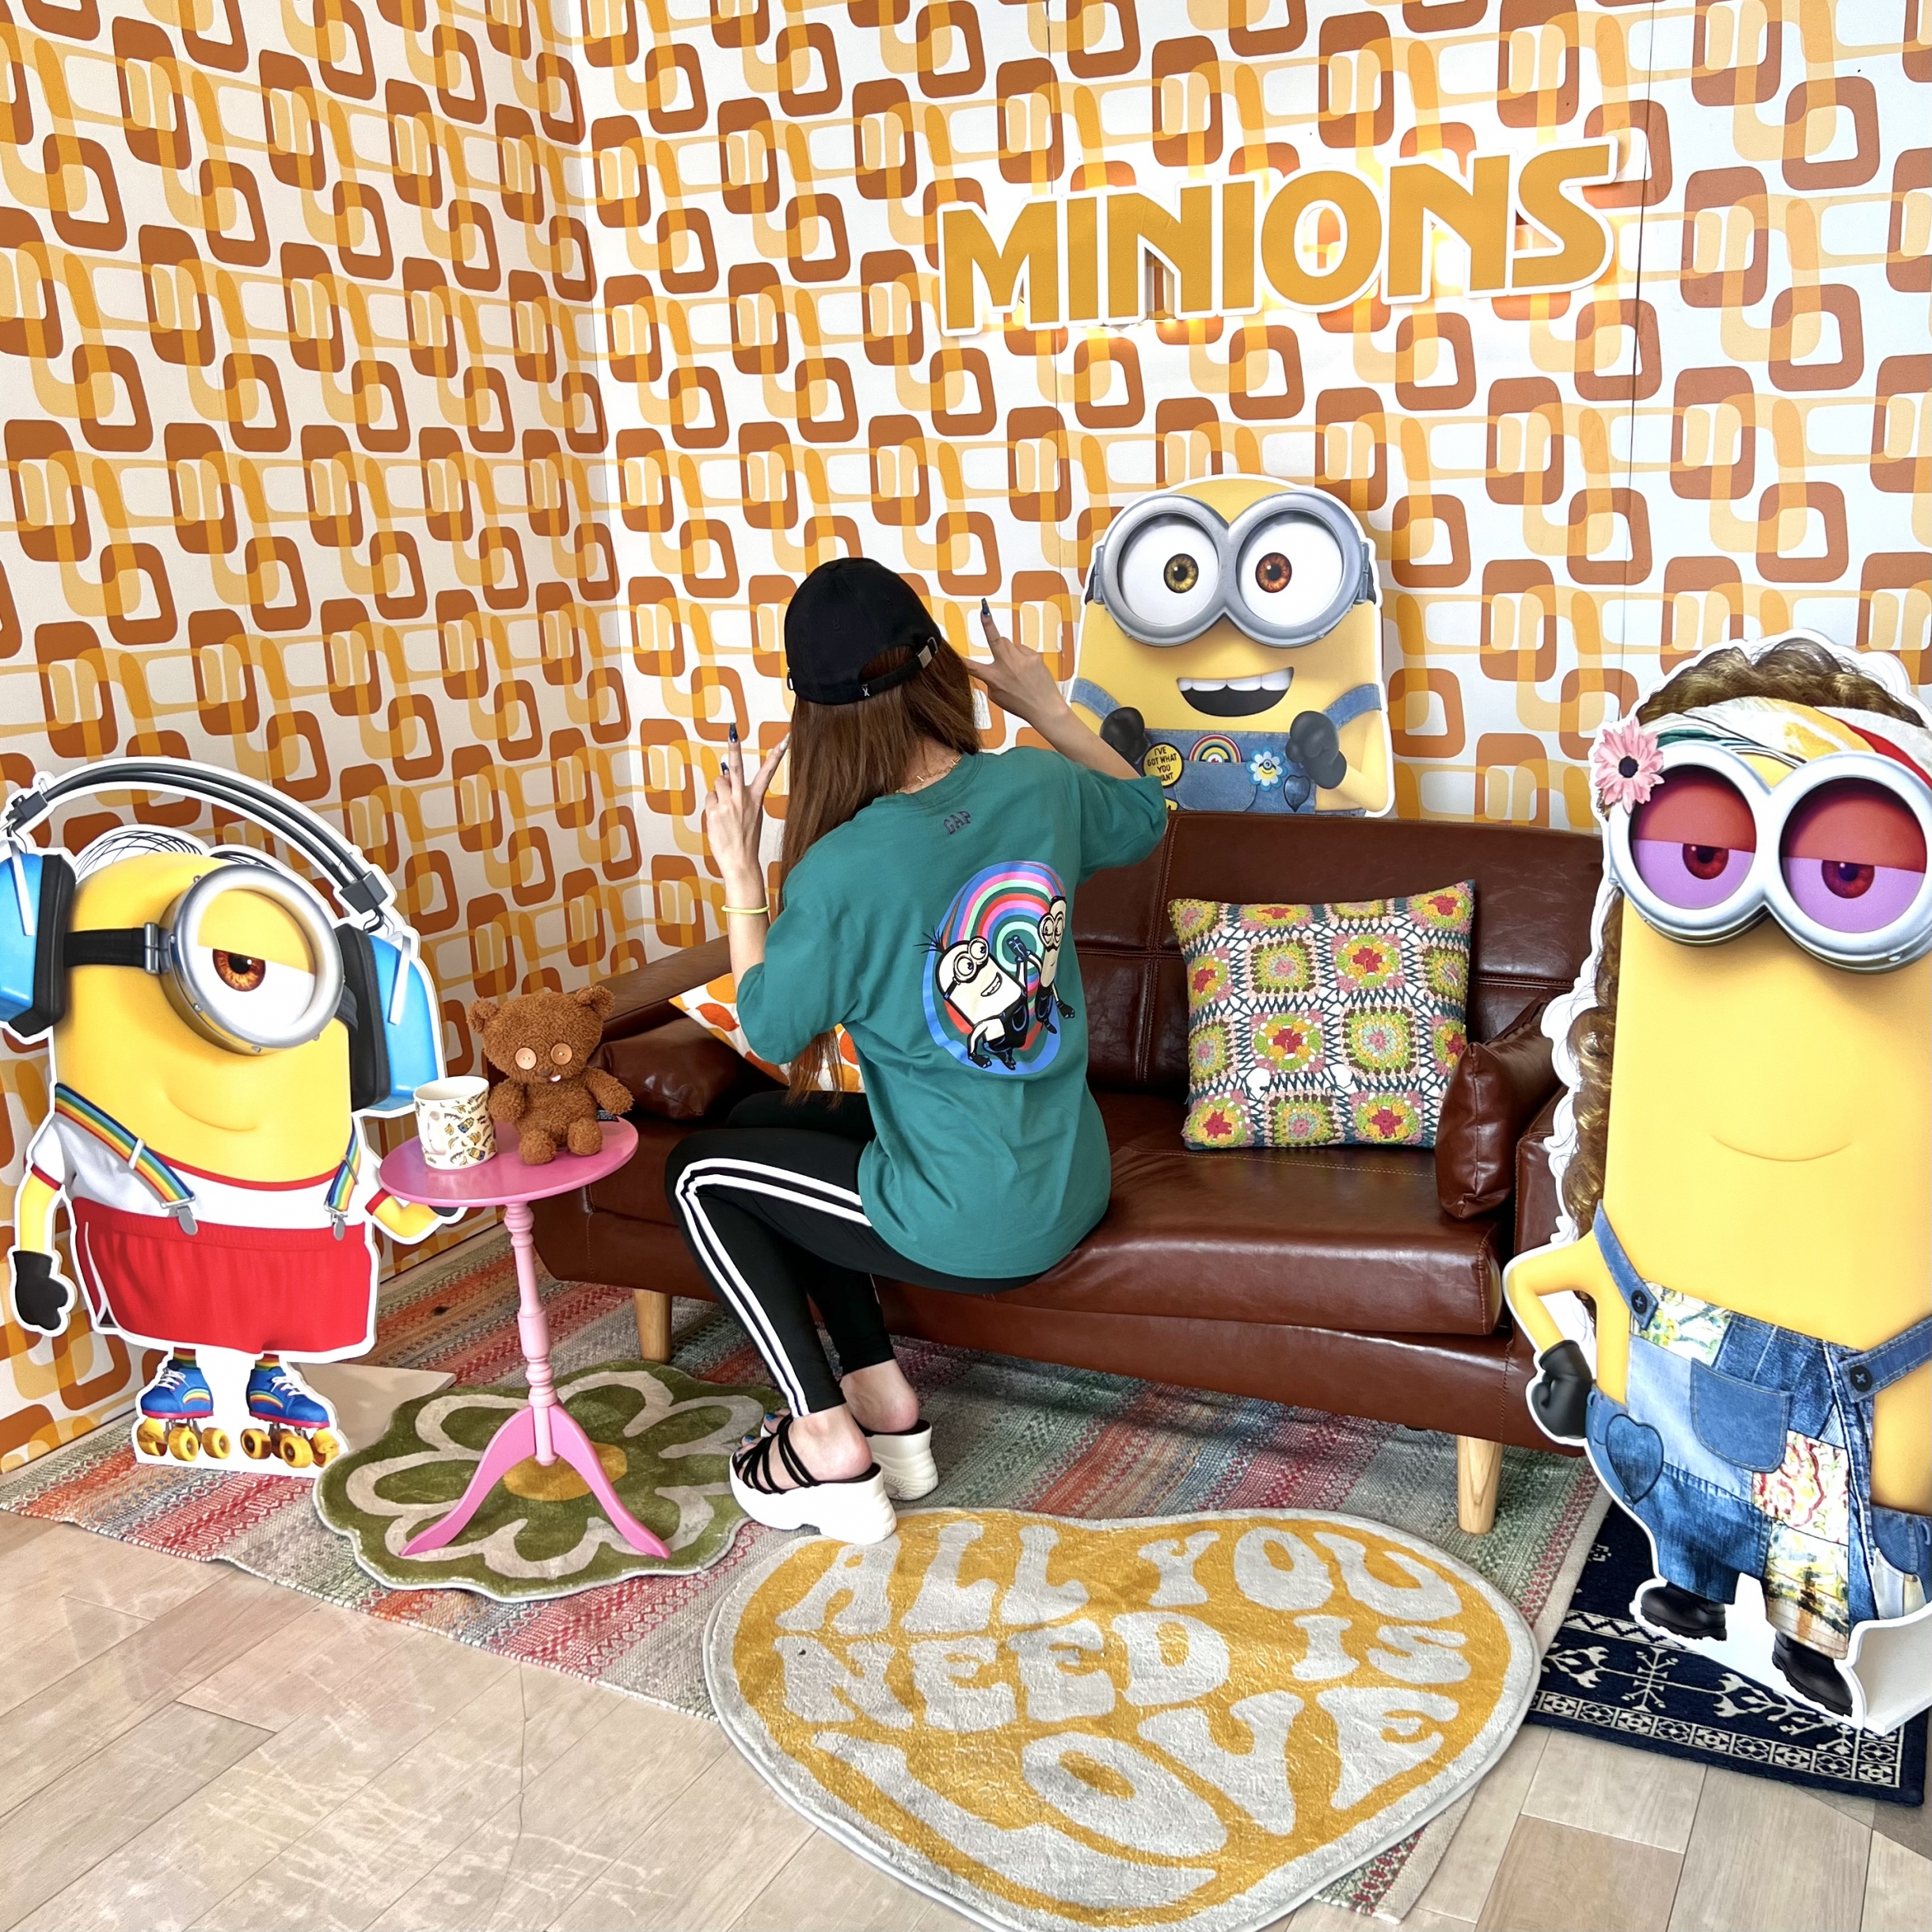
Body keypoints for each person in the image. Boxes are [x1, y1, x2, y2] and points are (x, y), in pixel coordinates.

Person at [664, 558, 1168, 1541]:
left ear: (814, 719)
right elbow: (1147, 814)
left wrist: (741, 876)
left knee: (698, 1176)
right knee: (764, 1122)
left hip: (977, 1221)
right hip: (1071, 1178)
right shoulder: (1037, 783)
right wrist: (1048, 708)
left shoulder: (841, 869)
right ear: (938, 669)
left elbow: (767, 1025)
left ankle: (824, 1443)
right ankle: (882, 1400)